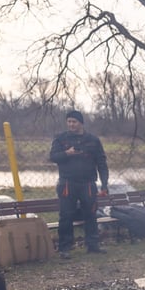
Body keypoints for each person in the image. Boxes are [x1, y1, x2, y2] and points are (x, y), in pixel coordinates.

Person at [49, 110, 109, 259]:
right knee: (66, 216)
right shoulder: (60, 139)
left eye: (74, 121)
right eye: (69, 121)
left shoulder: (93, 140)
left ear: (81, 123)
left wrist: (104, 184)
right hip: (67, 183)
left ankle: (93, 245)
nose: (71, 124)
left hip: (88, 184)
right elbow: (53, 157)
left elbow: (101, 163)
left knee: (91, 214)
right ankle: (64, 248)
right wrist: (66, 154)